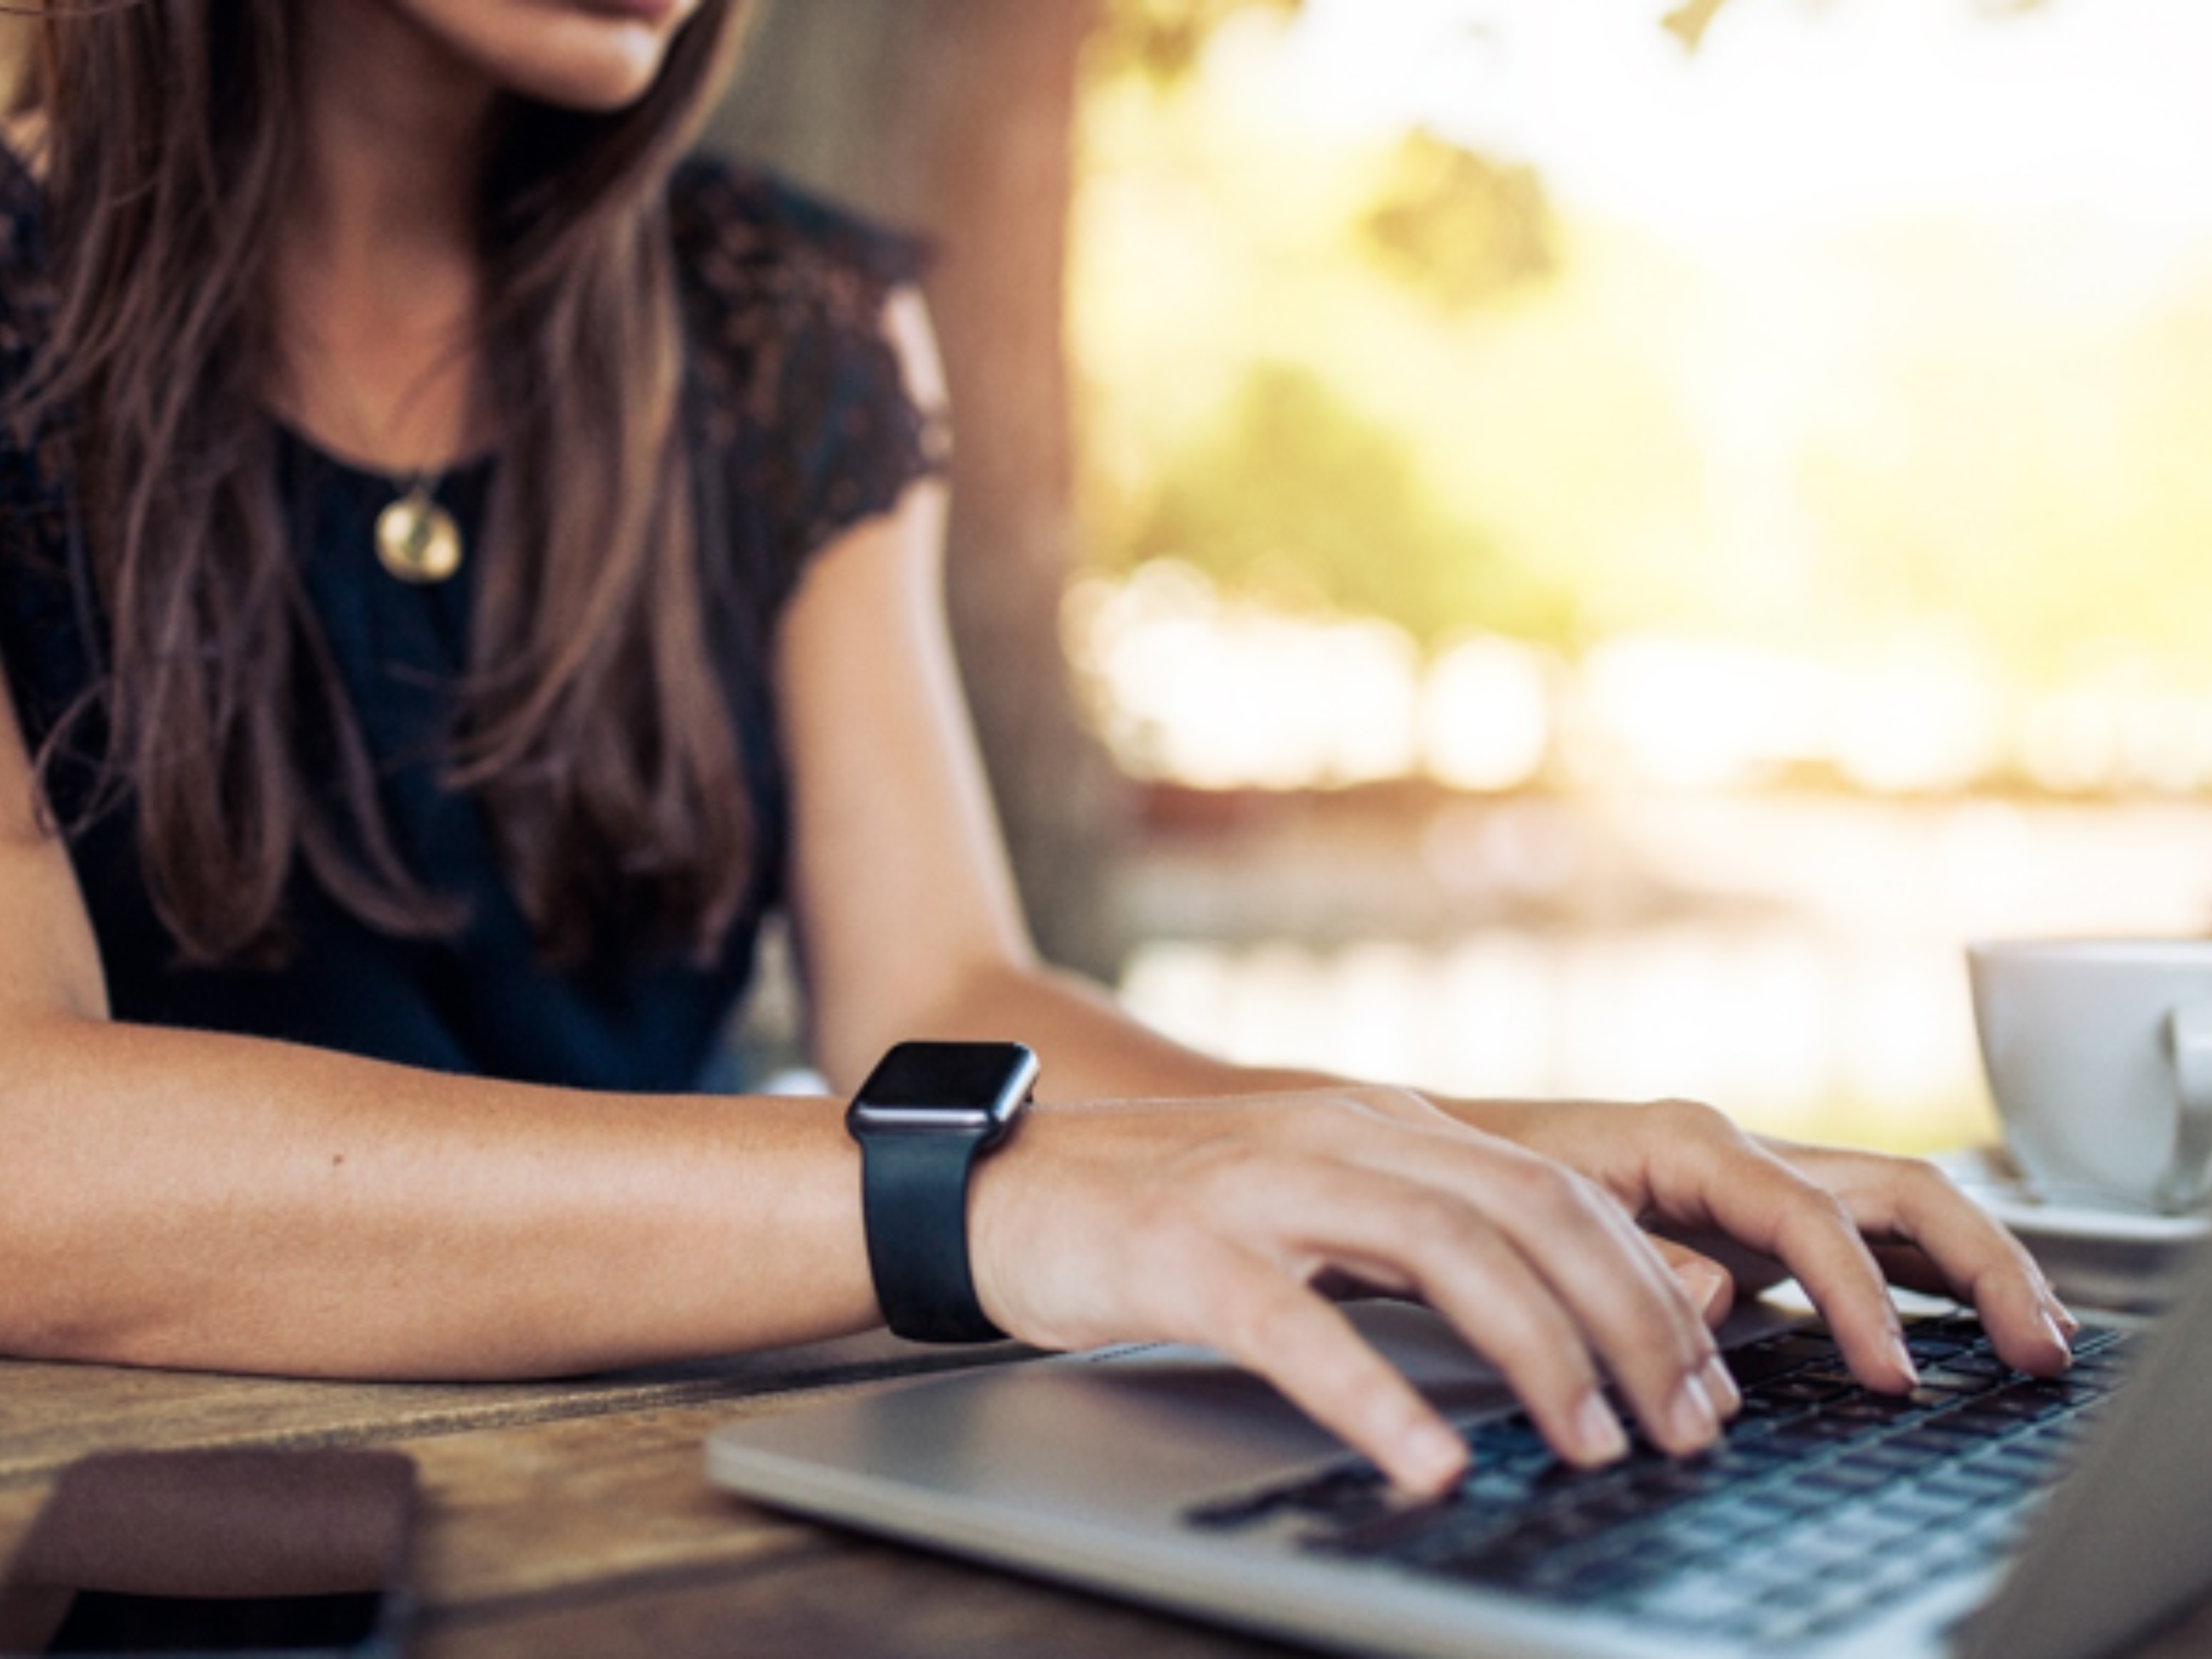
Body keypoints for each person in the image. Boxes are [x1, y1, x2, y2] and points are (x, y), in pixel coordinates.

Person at [0, 0, 2071, 1501]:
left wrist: (1483, 1154)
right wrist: (970, 1201)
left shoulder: (784, 325)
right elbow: (32, 1147)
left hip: (659, 1496)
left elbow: (944, 998)